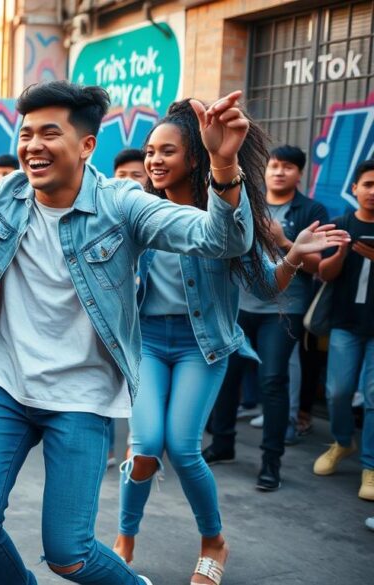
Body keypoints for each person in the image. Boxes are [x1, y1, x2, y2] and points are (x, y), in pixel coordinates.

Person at [0, 80, 259, 585]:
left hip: (82, 395)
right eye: (26, 133)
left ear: (87, 145)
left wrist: (223, 167)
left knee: (70, 556)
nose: (32, 145)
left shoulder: (123, 203)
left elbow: (222, 239)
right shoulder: (4, 195)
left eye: (50, 133)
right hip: (4, 385)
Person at [112, 105, 347, 585]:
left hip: (204, 345)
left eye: (167, 151)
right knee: (144, 449)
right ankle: (125, 535)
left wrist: (294, 256)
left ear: (195, 158)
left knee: (182, 446)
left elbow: (264, 286)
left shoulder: (228, 216)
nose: (154, 160)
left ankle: (213, 541)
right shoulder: (136, 213)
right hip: (149, 343)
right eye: (150, 151)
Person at [205, 145, 331, 485]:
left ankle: (271, 462)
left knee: (273, 381)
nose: (279, 172)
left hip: (283, 309)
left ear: (299, 174)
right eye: (274, 165)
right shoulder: (247, 200)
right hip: (238, 305)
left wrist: (285, 241)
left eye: (288, 167)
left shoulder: (311, 209)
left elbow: (319, 267)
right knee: (226, 378)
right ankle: (222, 443)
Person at [311, 159, 374, 502]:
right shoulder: (341, 225)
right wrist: (343, 251)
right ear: (355, 189)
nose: (373, 192)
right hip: (345, 323)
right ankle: (342, 441)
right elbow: (325, 273)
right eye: (367, 184)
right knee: (337, 391)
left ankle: (371, 465)